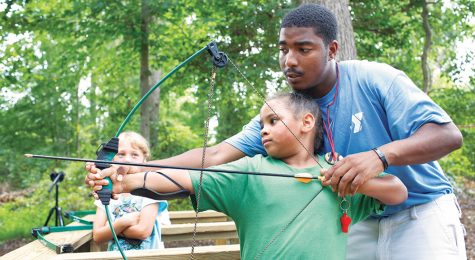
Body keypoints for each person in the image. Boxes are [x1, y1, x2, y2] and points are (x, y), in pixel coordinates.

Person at [86, 4, 466, 259]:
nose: (289, 60)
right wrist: (134, 173)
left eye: (304, 49)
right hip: (360, 219)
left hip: (420, 211)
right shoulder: (284, 112)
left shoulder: (374, 78)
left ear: (332, 49)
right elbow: (215, 156)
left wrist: (380, 157)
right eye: (283, 49)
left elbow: (448, 136)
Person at [89, 92, 408, 259]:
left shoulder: (340, 172)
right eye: (261, 125)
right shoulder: (249, 170)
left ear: (307, 123)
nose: (264, 131)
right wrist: (124, 181)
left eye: (273, 121)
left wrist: (354, 180)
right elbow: (183, 179)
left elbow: (397, 192)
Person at [92, 131, 171, 251]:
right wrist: (123, 222)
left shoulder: (151, 188)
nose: (127, 159)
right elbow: (97, 236)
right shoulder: (107, 190)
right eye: (121, 154)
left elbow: (143, 231)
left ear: (144, 160)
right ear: (111, 159)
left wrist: (111, 228)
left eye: (134, 155)